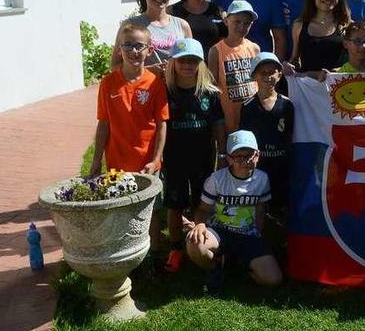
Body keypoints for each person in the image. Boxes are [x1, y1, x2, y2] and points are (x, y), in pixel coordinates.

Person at [91, 23, 169, 263]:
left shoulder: (155, 83)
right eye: (128, 46)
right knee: (121, 210)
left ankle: (153, 256)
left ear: (149, 50)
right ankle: (124, 258)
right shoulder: (108, 83)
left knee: (151, 213)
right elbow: (103, 124)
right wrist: (96, 161)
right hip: (117, 162)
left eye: (139, 46)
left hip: (147, 163)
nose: (134, 51)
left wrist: (155, 160)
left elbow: (162, 123)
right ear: (119, 50)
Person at [186, 130, 282, 294]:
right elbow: (203, 209)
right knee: (195, 245)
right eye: (238, 156)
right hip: (219, 231)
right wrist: (200, 225)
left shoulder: (262, 179)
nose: (245, 161)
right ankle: (215, 267)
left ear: (258, 155)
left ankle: (232, 264)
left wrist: (258, 234)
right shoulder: (216, 179)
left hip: (249, 235)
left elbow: (260, 209)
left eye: (250, 155)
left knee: (273, 280)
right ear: (229, 158)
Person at [161, 38, 225, 273]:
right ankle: (176, 248)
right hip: (174, 158)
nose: (188, 65)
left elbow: (218, 125)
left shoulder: (209, 93)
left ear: (201, 64)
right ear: (173, 63)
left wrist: (223, 153)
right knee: (175, 204)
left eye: (193, 61)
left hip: (203, 157)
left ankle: (200, 242)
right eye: (182, 60)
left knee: (202, 201)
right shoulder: (166, 91)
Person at [239, 53, 294, 246]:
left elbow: (292, 135)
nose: (268, 77)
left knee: (282, 205)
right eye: (263, 72)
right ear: (255, 75)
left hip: (282, 165)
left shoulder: (287, 105)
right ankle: (256, 242)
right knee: (259, 205)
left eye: (273, 72)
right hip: (259, 167)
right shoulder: (248, 106)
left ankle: (282, 244)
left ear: (280, 75)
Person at [112, 0, 193, 72]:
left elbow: (192, 61)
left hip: (176, 87)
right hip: (145, 87)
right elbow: (115, 66)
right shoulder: (130, 25)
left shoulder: (182, 25)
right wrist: (148, 71)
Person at [207, 0, 260, 132]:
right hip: (228, 117)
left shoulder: (255, 48)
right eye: (237, 21)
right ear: (226, 21)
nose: (242, 26)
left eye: (246, 23)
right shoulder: (216, 51)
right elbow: (212, 86)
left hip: (253, 116)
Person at [285, 0, 350, 74]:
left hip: (338, 87)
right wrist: (288, 66)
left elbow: (355, 64)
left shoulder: (348, 26)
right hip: (308, 88)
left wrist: (333, 73)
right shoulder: (299, 25)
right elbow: (295, 59)